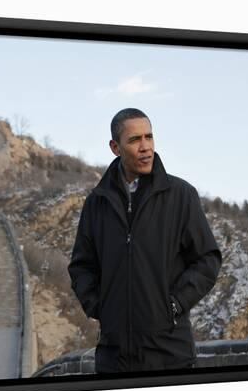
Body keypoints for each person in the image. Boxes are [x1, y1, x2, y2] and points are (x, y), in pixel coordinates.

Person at [68, 108, 222, 373]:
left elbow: (208, 259)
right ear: (115, 147)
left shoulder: (181, 195)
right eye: (134, 140)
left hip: (170, 355)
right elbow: (82, 266)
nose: (145, 147)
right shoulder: (97, 203)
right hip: (113, 359)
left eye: (149, 137)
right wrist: (102, 308)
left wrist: (173, 305)